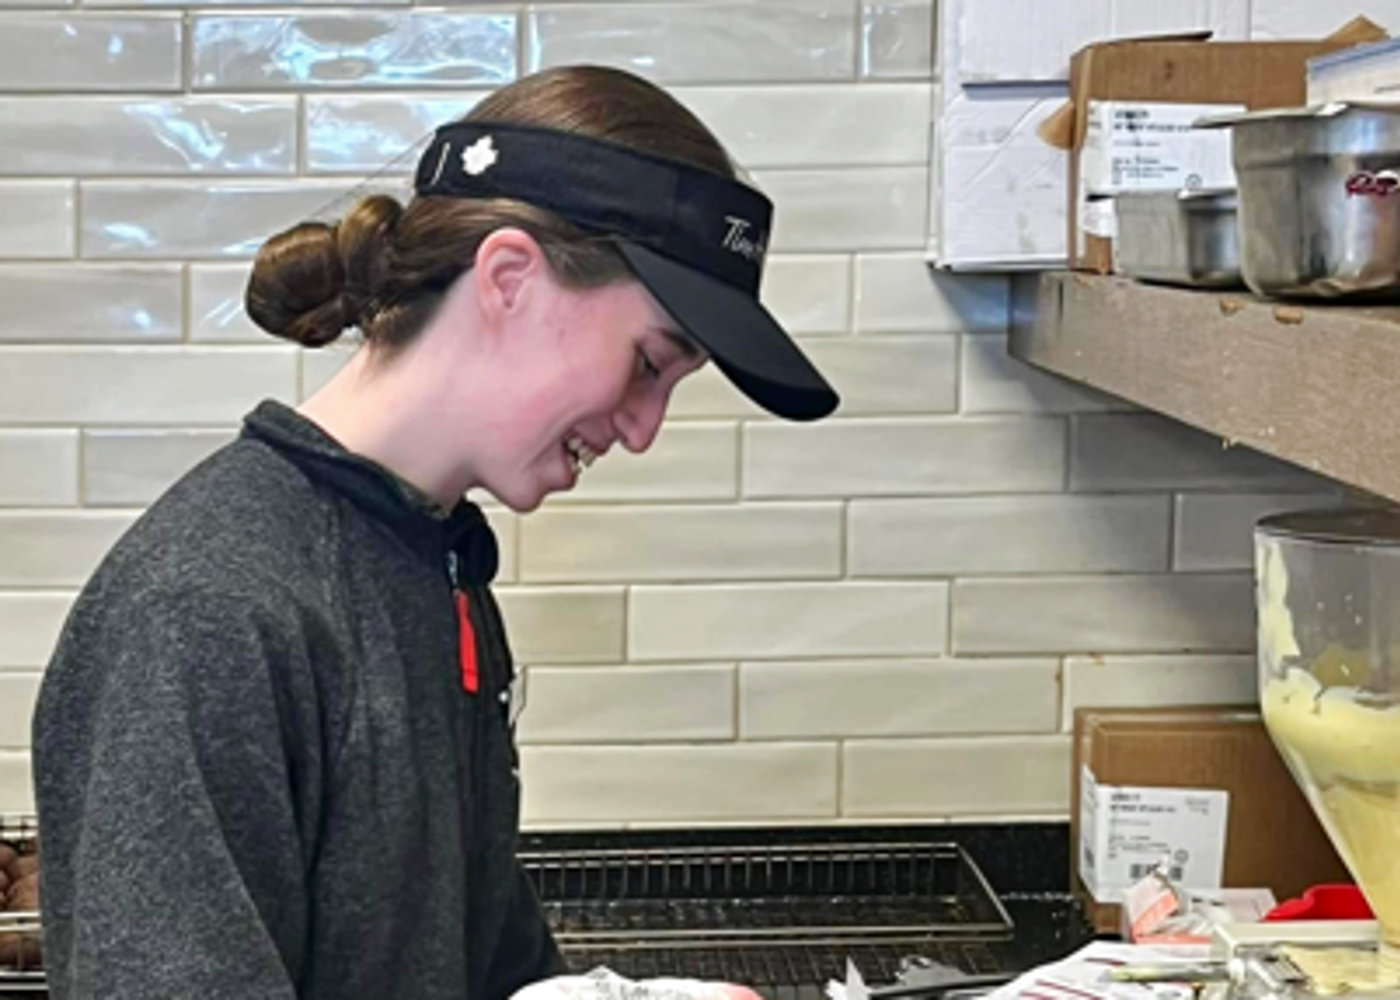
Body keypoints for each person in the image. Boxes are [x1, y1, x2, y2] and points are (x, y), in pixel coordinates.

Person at [31, 64, 839, 999]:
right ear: (509, 279)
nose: (643, 427)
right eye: (647, 364)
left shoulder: (433, 562)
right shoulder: (206, 612)